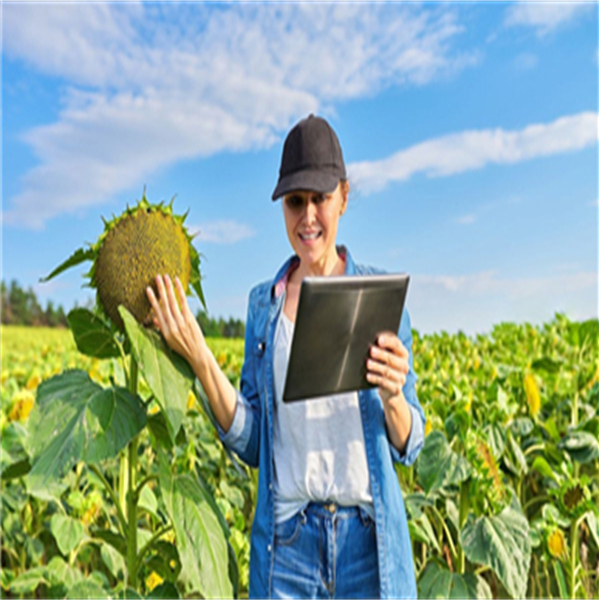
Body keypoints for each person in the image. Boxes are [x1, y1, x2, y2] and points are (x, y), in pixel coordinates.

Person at [147, 114, 426, 599]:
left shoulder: (379, 298)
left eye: (319, 199)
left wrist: (394, 397)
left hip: (367, 542)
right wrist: (198, 356)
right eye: (295, 202)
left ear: (342, 195)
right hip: (289, 542)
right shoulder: (265, 305)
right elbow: (254, 443)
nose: (308, 217)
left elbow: (410, 443)